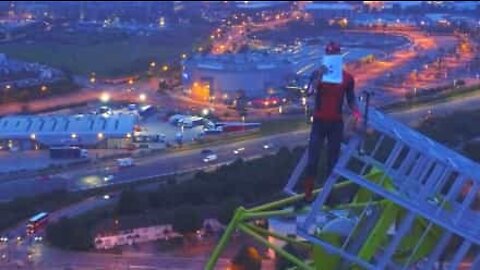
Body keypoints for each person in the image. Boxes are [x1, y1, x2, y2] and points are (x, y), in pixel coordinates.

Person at [303, 41, 361, 202]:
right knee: (312, 159)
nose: (332, 57)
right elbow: (309, 92)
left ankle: (329, 195)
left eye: (334, 55)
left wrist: (358, 114)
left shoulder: (347, 78)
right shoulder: (317, 73)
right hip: (319, 122)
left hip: (336, 123)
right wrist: (318, 77)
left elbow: (351, 99)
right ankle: (307, 194)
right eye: (329, 54)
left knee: (332, 161)